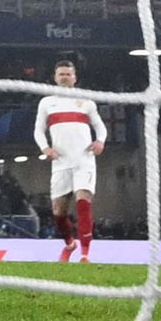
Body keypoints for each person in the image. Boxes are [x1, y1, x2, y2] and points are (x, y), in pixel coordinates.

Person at [33, 60, 106, 262]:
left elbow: (100, 127)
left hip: (84, 160)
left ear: (75, 77)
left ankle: (85, 254)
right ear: (55, 78)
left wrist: (100, 141)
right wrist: (45, 148)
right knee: (58, 212)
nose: (65, 77)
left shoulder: (86, 102)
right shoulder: (47, 103)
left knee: (83, 202)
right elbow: (38, 130)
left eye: (68, 74)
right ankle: (69, 244)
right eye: (61, 74)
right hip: (60, 163)